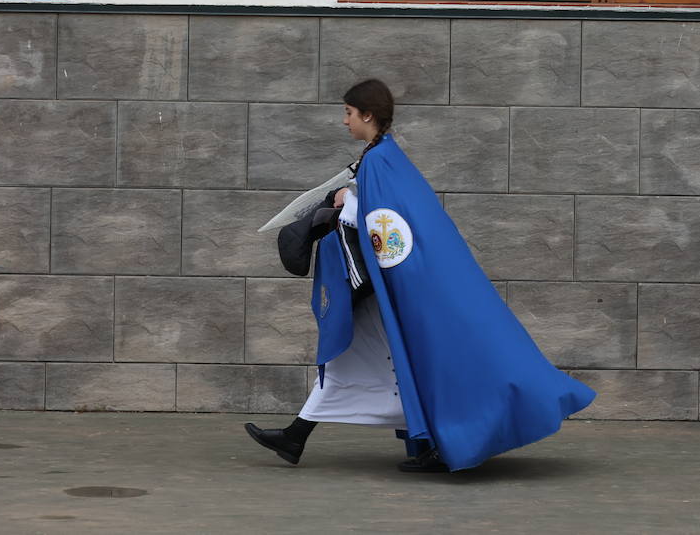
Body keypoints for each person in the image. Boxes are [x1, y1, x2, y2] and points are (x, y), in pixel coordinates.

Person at [246, 78, 595, 473]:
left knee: (386, 362)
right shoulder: (384, 156)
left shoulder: (379, 161)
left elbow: (387, 225)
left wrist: (348, 202)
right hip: (390, 288)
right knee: (371, 362)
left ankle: (310, 437)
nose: (344, 121)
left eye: (348, 113)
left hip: (397, 289)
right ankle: (304, 436)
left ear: (367, 115)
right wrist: (353, 198)